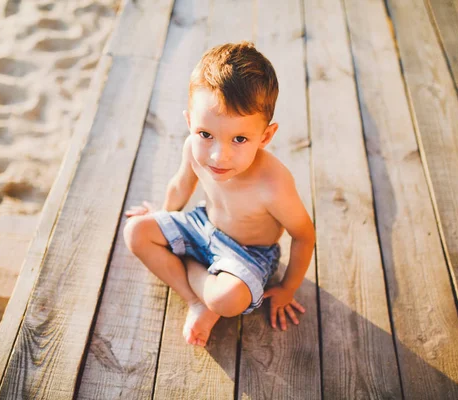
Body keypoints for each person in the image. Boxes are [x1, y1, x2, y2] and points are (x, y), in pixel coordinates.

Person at [123, 42, 315, 347]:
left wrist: (288, 288)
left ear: (265, 136)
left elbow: (304, 235)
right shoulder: (191, 148)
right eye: (205, 134)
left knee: (227, 300)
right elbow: (180, 185)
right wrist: (163, 216)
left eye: (239, 139)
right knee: (136, 232)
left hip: (248, 253)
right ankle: (195, 300)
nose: (218, 156)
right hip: (202, 226)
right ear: (190, 123)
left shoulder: (272, 183)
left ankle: (189, 269)